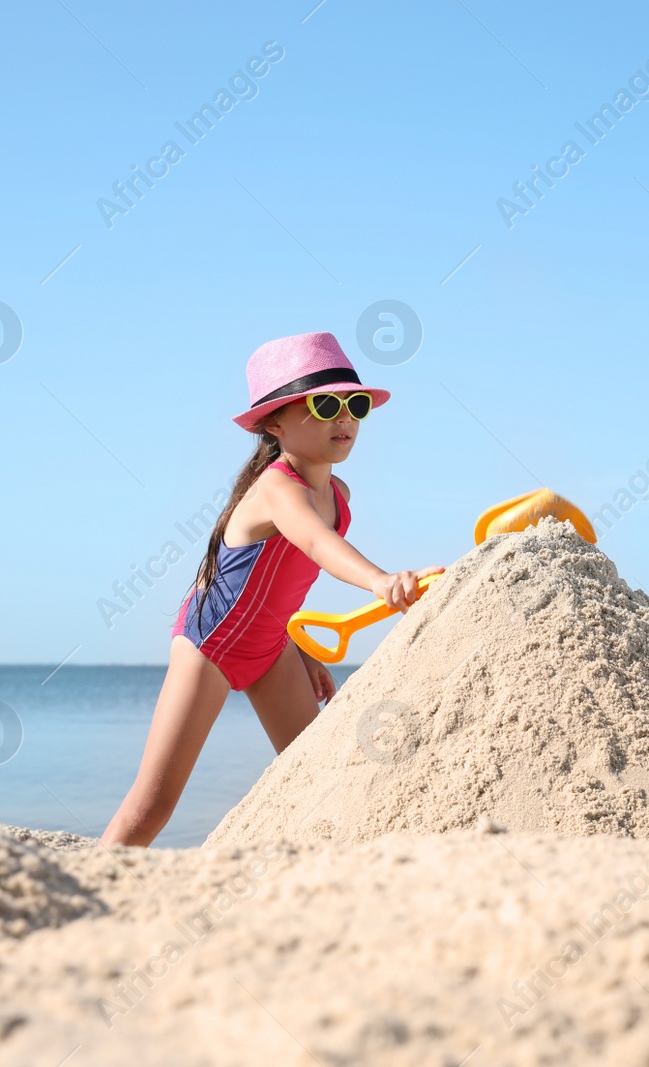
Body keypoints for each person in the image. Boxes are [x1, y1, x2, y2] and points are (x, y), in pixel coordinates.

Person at [101, 332, 441, 847]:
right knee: (150, 810)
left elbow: (279, 584)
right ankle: (92, 890)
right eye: (325, 405)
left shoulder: (339, 493)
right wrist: (380, 581)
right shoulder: (278, 488)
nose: (343, 418)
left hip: (270, 646)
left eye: (354, 405)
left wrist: (296, 648)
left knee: (316, 783)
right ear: (274, 422)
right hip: (211, 646)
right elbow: (316, 543)